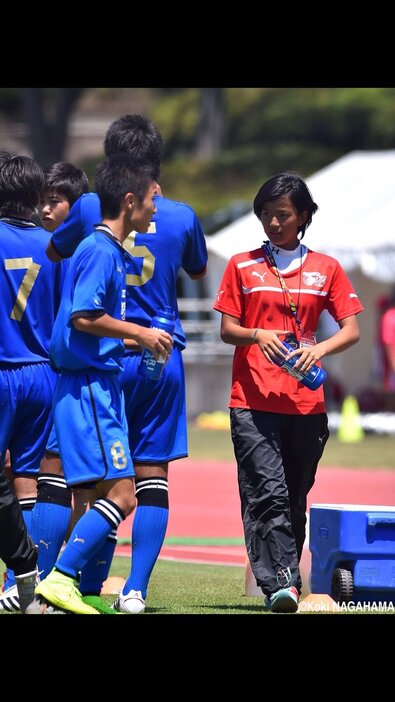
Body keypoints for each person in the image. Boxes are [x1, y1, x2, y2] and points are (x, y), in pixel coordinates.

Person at [45, 115, 208, 615]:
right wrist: (138, 328)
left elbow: (53, 251)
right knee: (146, 476)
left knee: (74, 477)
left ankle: (42, 582)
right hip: (144, 358)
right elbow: (198, 269)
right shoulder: (177, 216)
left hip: (112, 362)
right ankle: (128, 588)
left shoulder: (90, 207)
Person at [213, 171, 364, 613]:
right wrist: (257, 335)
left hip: (306, 403)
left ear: (303, 217)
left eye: (283, 215)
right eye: (266, 215)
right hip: (251, 401)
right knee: (267, 491)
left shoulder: (327, 268)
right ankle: (281, 585)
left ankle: (288, 578)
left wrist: (317, 351)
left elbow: (351, 330)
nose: (273, 223)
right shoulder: (241, 264)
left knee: (295, 495)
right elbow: (227, 330)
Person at [29, 154, 172, 614]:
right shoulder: (100, 249)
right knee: (123, 493)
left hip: (91, 383)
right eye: (153, 197)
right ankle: (59, 580)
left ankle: (67, 588)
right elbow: (84, 317)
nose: (157, 205)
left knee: (90, 494)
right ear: (129, 201)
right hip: (91, 387)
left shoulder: (107, 248)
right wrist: (141, 333)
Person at [0, 152, 66, 612]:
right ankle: (16, 584)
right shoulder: (55, 248)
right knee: (27, 480)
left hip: (2, 369)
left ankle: (19, 574)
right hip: (42, 374)